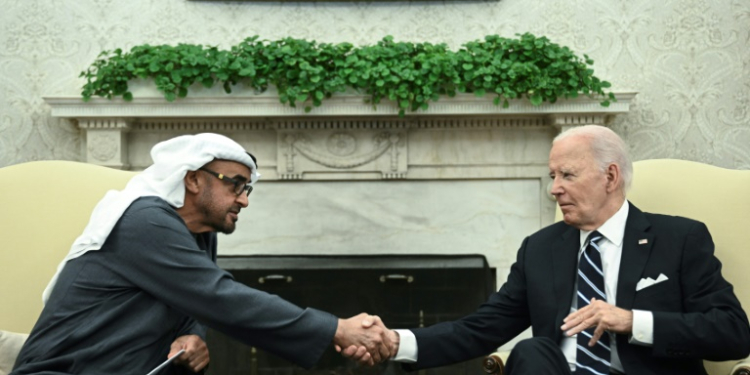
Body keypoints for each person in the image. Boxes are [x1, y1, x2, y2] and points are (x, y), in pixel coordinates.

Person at [344, 125, 750, 374]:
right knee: (533, 349)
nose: (554, 188)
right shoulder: (540, 249)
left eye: (567, 175)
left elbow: (733, 333)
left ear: (610, 176)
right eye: (552, 175)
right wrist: (397, 342)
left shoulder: (679, 239)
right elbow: (482, 327)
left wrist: (632, 320)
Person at [11, 133, 393, 375]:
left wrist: (191, 335)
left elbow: (196, 299)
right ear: (192, 178)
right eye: (236, 185)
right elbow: (219, 297)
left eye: (249, 189)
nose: (244, 199)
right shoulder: (144, 221)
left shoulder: (198, 231)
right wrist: (336, 328)